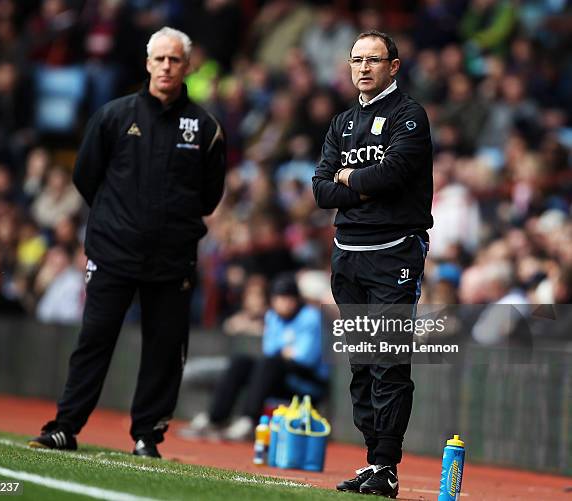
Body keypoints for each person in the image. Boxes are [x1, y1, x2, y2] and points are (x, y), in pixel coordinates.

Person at [28, 26, 226, 458]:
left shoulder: (206, 127)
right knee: (94, 340)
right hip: (113, 252)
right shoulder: (114, 116)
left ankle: (147, 436)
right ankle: (65, 427)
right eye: (160, 59)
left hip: (172, 259)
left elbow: (210, 196)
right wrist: (117, 219)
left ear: (187, 66)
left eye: (175, 59)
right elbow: (85, 176)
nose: (167, 67)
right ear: (147, 63)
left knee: (163, 349)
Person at [312, 31, 433, 497]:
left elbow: (395, 174)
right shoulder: (341, 122)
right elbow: (322, 190)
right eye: (356, 59)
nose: (363, 67)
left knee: (389, 360)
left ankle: (387, 464)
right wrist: (362, 183)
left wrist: (351, 179)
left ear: (394, 66)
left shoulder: (409, 117)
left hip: (395, 251)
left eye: (373, 60)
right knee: (362, 363)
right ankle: (373, 462)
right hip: (348, 254)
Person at [180, 273, 328, 441]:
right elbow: (271, 350)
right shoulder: (273, 316)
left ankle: (249, 420)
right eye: (280, 298)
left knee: (269, 364)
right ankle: (216, 418)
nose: (284, 303)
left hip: (308, 384)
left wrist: (284, 354)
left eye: (288, 298)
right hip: (280, 375)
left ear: (296, 299)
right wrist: (285, 352)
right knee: (241, 362)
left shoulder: (311, 317)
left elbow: (304, 358)